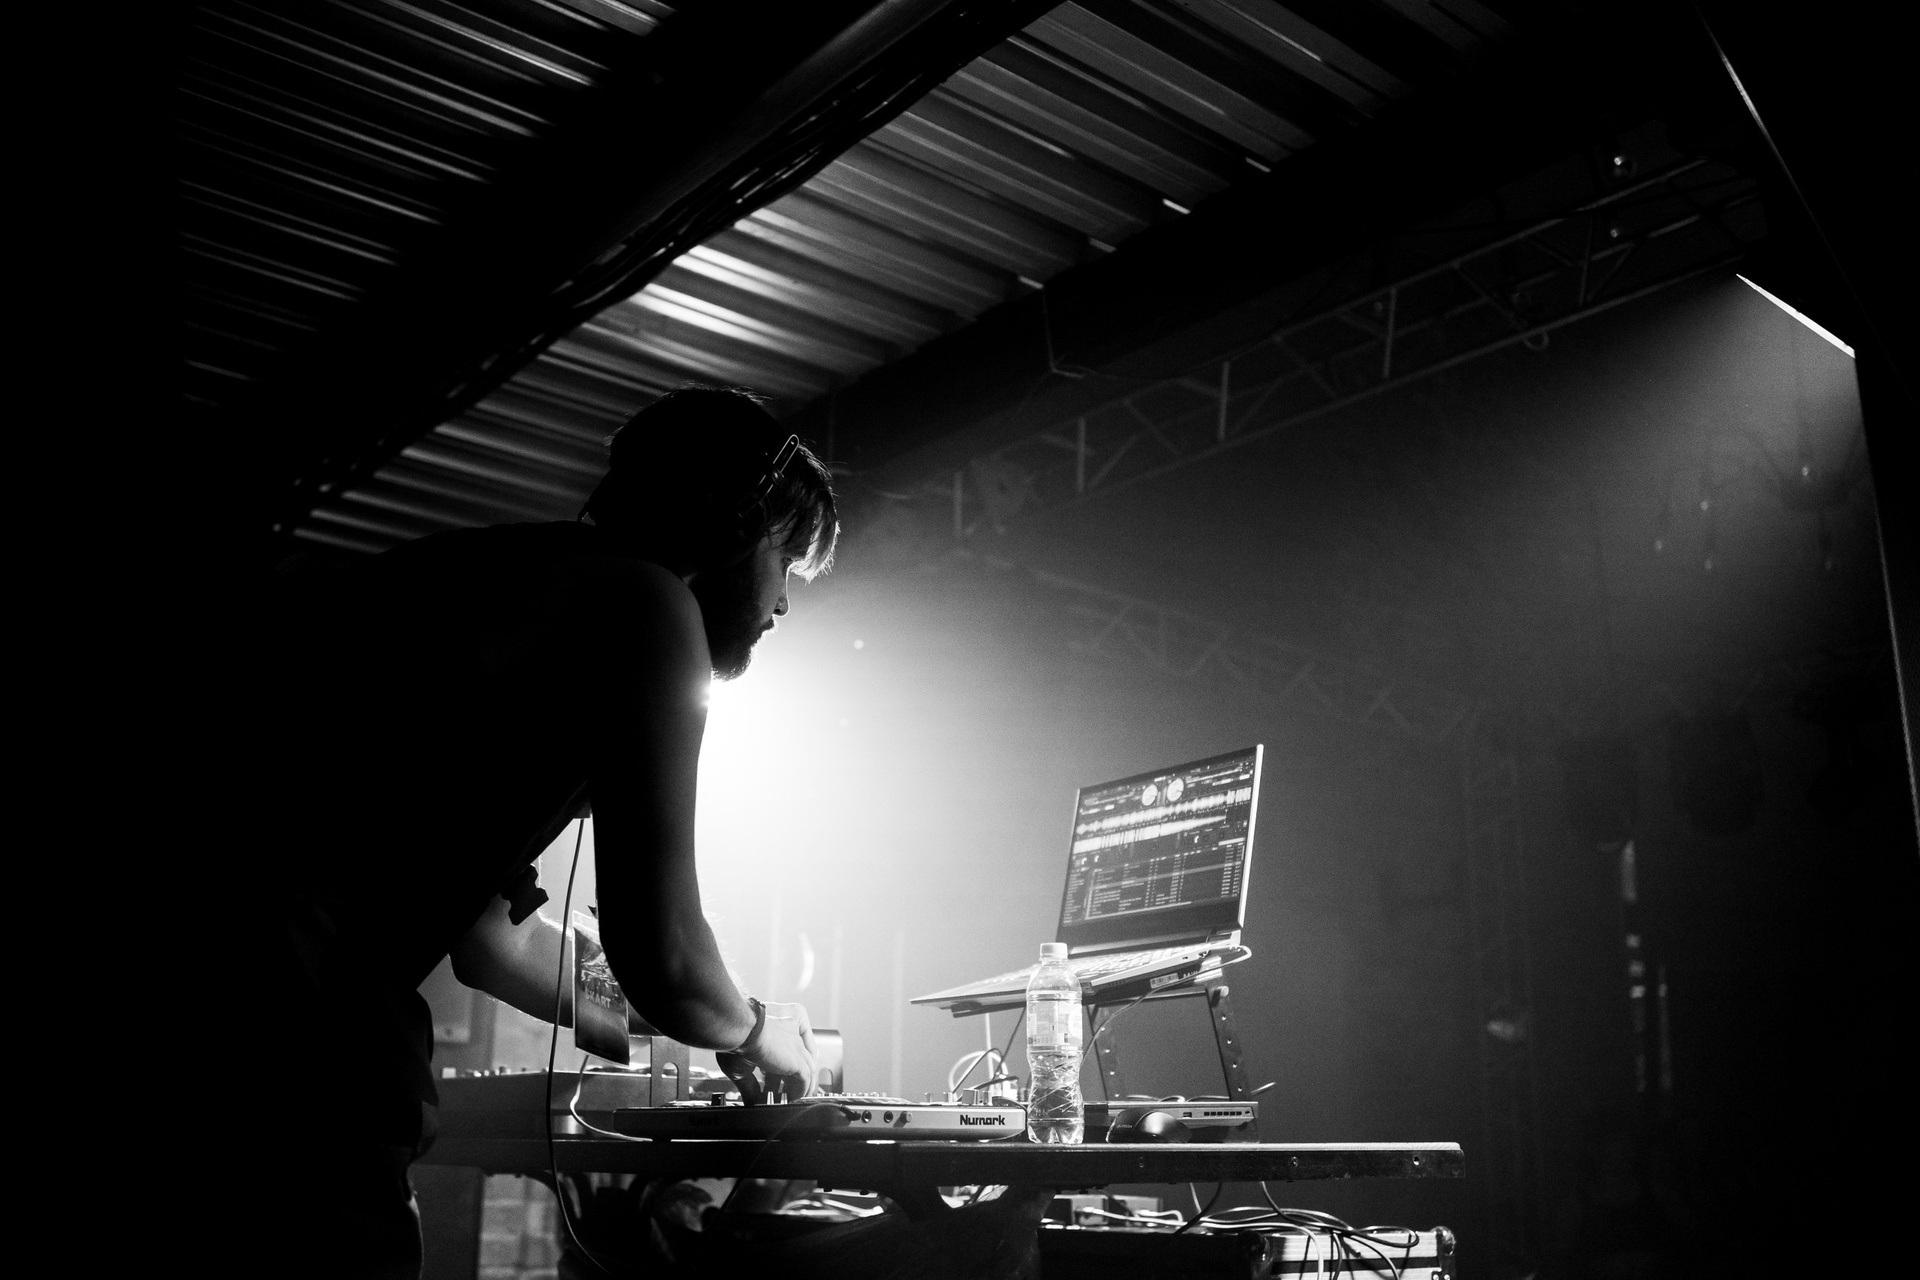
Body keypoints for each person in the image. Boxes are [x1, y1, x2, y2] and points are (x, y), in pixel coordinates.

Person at [224, 386, 836, 1276]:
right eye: (787, 562)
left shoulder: (504, 582)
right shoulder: (646, 600)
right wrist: (752, 1028)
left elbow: (494, 941)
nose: (782, 605)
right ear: (738, 522)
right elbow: (663, 951)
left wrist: (680, 1018)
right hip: (285, 1044)